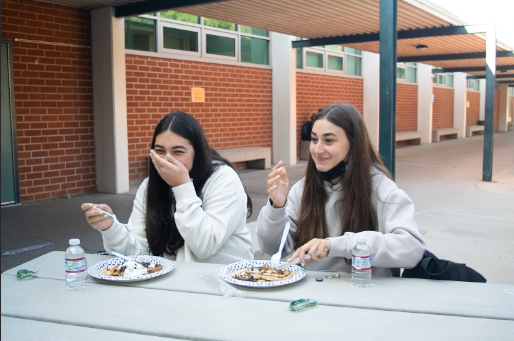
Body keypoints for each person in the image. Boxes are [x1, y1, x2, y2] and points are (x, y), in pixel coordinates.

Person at [256, 103, 425, 276]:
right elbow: (272, 248)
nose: (317, 149)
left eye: (329, 140)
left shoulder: (381, 189)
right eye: (314, 139)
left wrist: (336, 245)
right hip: (310, 292)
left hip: (363, 293)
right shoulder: (302, 188)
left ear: (354, 144)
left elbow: (411, 248)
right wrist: (276, 207)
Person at [82, 111, 254, 264]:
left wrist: (182, 187)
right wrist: (111, 228)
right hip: (172, 285)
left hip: (224, 284)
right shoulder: (150, 186)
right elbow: (140, 253)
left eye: (178, 152)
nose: (167, 159)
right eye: (160, 150)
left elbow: (205, 246)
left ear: (198, 152)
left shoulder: (224, 179)